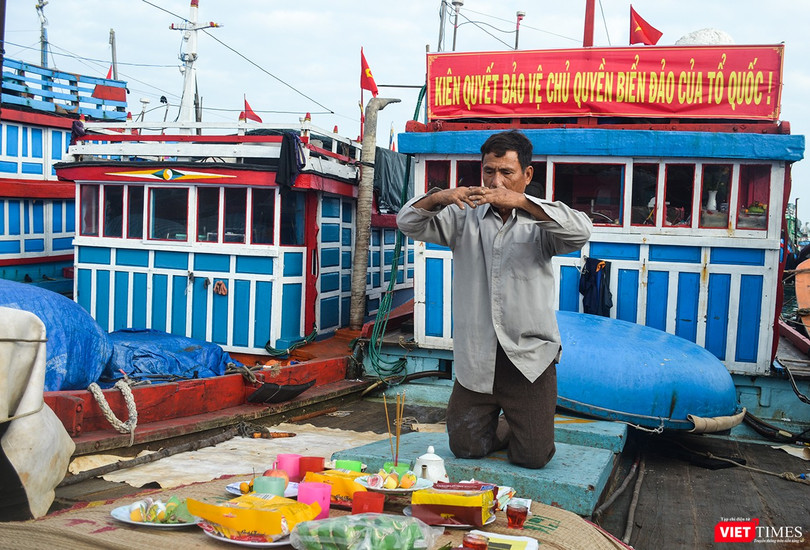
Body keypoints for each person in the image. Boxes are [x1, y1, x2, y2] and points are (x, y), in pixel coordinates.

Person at [396, 130, 592, 468]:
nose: (496, 181)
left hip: (528, 358)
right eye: (489, 171)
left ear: (527, 176)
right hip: (477, 356)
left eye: (506, 173)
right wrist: (441, 197)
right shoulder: (462, 218)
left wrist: (522, 203)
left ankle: (522, 429)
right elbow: (407, 222)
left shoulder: (541, 222)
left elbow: (581, 231)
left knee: (533, 457)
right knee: (465, 447)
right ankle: (502, 428)